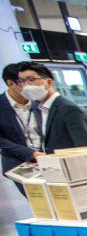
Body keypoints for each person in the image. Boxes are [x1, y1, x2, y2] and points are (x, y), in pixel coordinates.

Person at [16, 62, 87, 154]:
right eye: (22, 81)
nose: (26, 86)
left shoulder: (69, 109)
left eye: (31, 79)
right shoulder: (39, 109)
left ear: (49, 82)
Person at [0, 62, 43, 193]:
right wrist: (31, 153)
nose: (30, 85)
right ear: (10, 83)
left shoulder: (39, 101)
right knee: (39, 200)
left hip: (47, 160)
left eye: (31, 80)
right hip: (19, 164)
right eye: (23, 81)